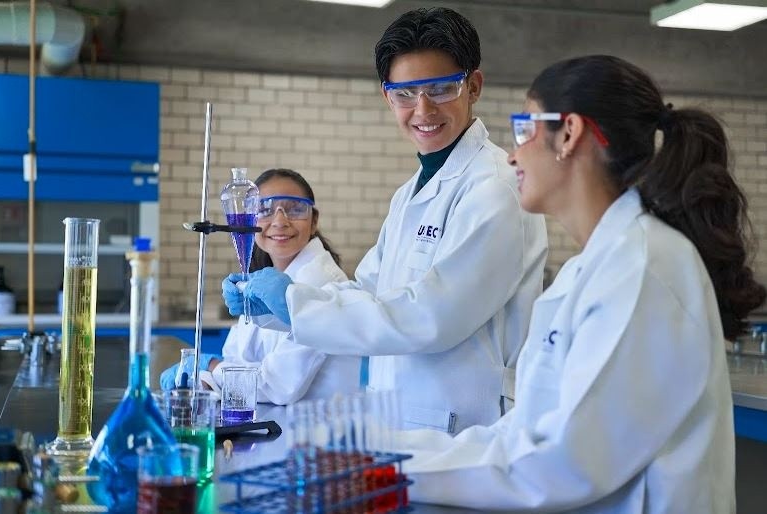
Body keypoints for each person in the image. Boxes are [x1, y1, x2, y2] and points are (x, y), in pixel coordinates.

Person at [389, 55, 767, 512]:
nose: (513, 155)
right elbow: (528, 432)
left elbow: (565, 463)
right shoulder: (592, 268)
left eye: (524, 130)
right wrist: (387, 454)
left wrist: (390, 469)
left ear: (568, 133)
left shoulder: (642, 268)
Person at [223, 7, 548, 434]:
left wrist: (296, 304)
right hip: (406, 422)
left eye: (440, 89)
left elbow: (432, 317)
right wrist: (277, 310)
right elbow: (367, 291)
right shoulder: (409, 194)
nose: (423, 109)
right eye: (405, 93)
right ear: (387, 97)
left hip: (469, 426)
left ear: (473, 86)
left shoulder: (495, 188)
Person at [160, 169, 361, 405]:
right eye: (264, 209)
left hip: (317, 425)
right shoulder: (265, 281)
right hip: (268, 419)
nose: (280, 221)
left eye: (295, 209)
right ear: (249, 219)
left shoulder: (321, 281)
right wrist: (207, 379)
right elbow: (235, 358)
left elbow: (278, 385)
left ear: (314, 220)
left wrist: (210, 365)